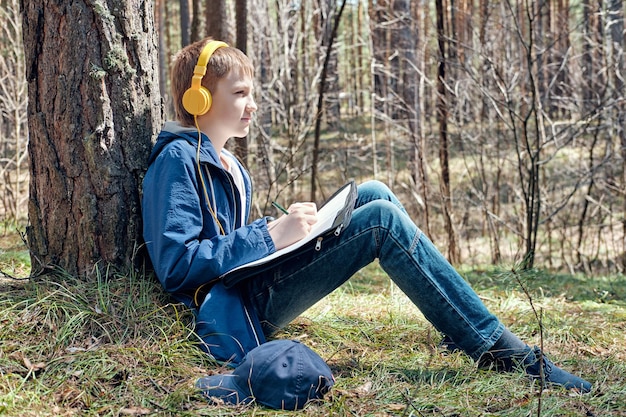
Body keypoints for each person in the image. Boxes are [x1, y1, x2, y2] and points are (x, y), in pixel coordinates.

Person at [141, 37, 592, 403]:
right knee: (378, 221)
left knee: (373, 191)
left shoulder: (229, 163)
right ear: (198, 96)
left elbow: (226, 242)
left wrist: (285, 235)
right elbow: (177, 265)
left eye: (252, 93)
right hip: (231, 309)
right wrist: (270, 234)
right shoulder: (178, 160)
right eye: (239, 94)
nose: (252, 105)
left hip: (247, 286)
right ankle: (499, 350)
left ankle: (457, 325)